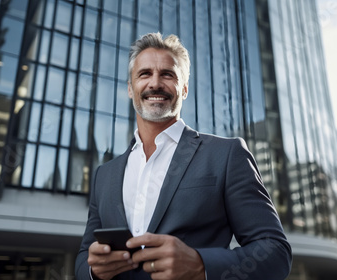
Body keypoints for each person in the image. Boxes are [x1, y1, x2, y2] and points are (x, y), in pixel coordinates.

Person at [75, 32, 292, 280]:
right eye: (144, 74)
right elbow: (84, 257)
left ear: (185, 89)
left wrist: (202, 265)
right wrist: (94, 271)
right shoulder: (105, 174)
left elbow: (274, 252)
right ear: (129, 88)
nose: (155, 83)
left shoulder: (227, 155)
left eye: (167, 75)